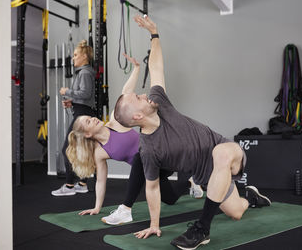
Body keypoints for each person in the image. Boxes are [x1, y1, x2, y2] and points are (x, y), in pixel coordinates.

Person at [113, 15, 271, 249]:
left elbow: (155, 67)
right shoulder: (148, 150)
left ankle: (202, 229)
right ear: (137, 116)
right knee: (236, 212)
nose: (144, 94)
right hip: (207, 176)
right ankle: (249, 195)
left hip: (226, 150)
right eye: (138, 98)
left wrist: (154, 34)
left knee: (221, 154)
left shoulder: (160, 102)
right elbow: (153, 187)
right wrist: (155, 224)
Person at [66, 53, 203, 225]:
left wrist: (137, 69)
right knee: (170, 198)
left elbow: (126, 94)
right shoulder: (100, 152)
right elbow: (101, 181)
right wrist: (97, 207)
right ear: (87, 134)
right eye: (88, 121)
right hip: (150, 170)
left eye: (90, 117)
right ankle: (191, 184)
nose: (93, 118)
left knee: (140, 155)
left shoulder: (115, 121)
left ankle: (125, 209)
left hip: (162, 155)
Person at [51, 40, 97, 196]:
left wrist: (67, 91)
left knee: (67, 148)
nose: (73, 58)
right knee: (82, 150)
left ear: (84, 56)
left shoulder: (84, 72)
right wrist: (72, 102)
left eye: (76, 55)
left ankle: (70, 186)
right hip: (83, 110)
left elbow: (85, 93)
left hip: (83, 114)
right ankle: (82, 183)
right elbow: (86, 96)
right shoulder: (85, 72)